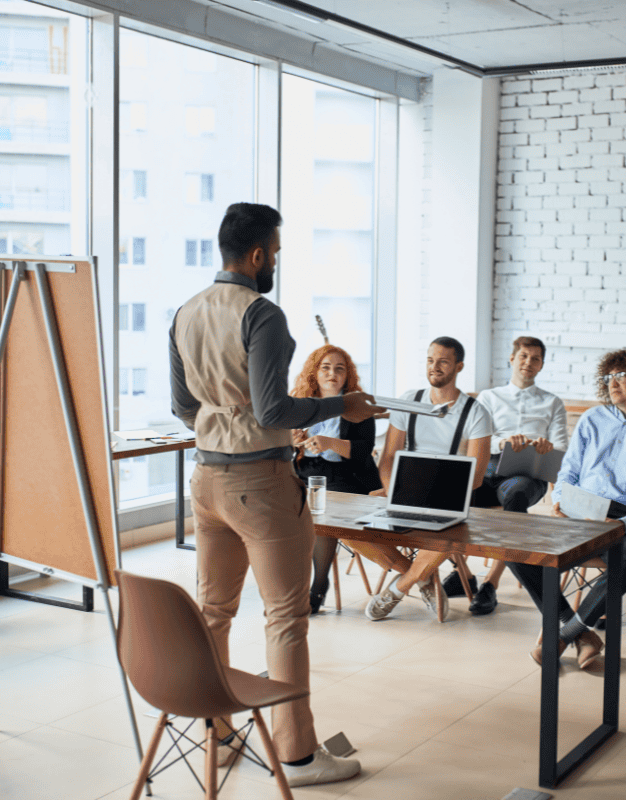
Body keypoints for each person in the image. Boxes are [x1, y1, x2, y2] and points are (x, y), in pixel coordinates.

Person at [169, 202, 380, 787]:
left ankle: (217, 731)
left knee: (215, 611)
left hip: (206, 479)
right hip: (258, 483)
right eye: (277, 255)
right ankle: (299, 756)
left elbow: (183, 407)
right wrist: (345, 405)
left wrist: (222, 413)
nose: (276, 265)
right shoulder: (261, 313)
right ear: (258, 255)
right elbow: (274, 410)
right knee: (286, 617)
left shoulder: (185, 312)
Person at [508, 348, 626, 670]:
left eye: (620, 375)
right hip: (577, 511)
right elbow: (568, 472)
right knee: (517, 550)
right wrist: (562, 502)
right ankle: (583, 635)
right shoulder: (592, 418)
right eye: (607, 376)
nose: (612, 383)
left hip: (624, 518)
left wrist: (623, 524)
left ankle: (564, 635)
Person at [357, 336, 493, 623]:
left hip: (452, 498)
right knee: (349, 527)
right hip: (405, 492)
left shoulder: (476, 412)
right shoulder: (410, 401)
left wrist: (431, 495)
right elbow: (389, 458)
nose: (435, 367)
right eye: (431, 360)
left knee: (448, 534)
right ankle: (424, 579)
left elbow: (477, 477)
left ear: (459, 366)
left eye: (443, 361)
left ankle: (398, 588)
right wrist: (395, 491)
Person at [446, 336, 568, 616]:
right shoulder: (489, 397)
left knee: (515, 499)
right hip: (489, 467)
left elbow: (562, 448)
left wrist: (545, 446)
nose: (528, 362)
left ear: (541, 365)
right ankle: (464, 574)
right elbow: (473, 439)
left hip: (527, 474)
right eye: (523, 356)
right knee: (450, 494)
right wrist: (501, 443)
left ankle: (490, 583)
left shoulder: (552, 402)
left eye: (535, 358)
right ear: (511, 359)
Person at [289, 344, 382, 614]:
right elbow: (281, 449)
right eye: (326, 367)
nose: (332, 373)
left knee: (322, 517)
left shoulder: (359, 405)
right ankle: (287, 587)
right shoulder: (299, 403)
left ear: (347, 374)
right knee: (282, 509)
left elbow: (364, 451)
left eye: (339, 368)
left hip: (348, 476)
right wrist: (291, 443)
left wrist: (331, 443)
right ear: (314, 373)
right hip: (306, 472)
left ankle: (317, 587)